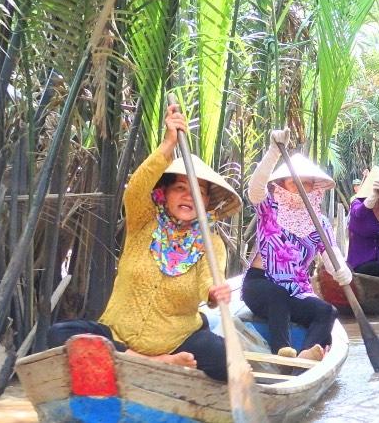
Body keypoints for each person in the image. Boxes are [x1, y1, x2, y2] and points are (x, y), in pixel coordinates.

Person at [46, 104, 241, 381]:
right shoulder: (143, 222)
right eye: (180, 188)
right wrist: (168, 144)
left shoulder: (210, 243)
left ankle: (149, 359)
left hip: (177, 340)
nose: (188, 197)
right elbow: (136, 189)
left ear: (206, 203)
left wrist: (214, 292)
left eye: (197, 192)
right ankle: (146, 361)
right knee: (59, 334)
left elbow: (209, 280)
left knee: (225, 359)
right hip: (119, 335)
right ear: (166, 193)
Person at [242, 128, 351, 362]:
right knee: (277, 294)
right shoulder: (270, 208)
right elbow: (255, 190)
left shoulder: (319, 221)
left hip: (297, 290)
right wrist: (273, 152)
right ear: (282, 184)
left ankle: (305, 354)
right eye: (295, 183)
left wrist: (342, 270)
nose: (302, 188)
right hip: (261, 285)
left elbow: (331, 254)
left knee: (327, 311)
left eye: (308, 184)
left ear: (315, 188)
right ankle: (282, 350)